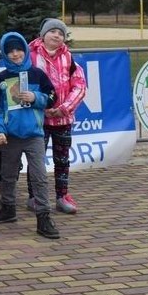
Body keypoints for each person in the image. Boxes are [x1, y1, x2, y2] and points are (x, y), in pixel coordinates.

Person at [0, 32, 60, 240]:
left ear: (25, 51)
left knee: (39, 176)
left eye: (19, 49)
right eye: (10, 51)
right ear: (5, 54)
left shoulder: (37, 74)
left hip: (34, 135)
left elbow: (52, 97)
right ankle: (7, 208)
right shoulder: (1, 79)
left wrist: (36, 97)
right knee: (8, 174)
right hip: (10, 136)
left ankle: (43, 216)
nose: (15, 54)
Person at [27, 19, 87, 215]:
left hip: (63, 119)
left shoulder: (69, 59)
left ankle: (62, 196)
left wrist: (64, 108)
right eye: (52, 31)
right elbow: (23, 83)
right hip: (38, 119)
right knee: (36, 160)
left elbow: (79, 86)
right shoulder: (30, 56)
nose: (56, 35)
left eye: (61, 33)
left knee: (62, 160)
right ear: (43, 35)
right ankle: (35, 197)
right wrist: (40, 104)